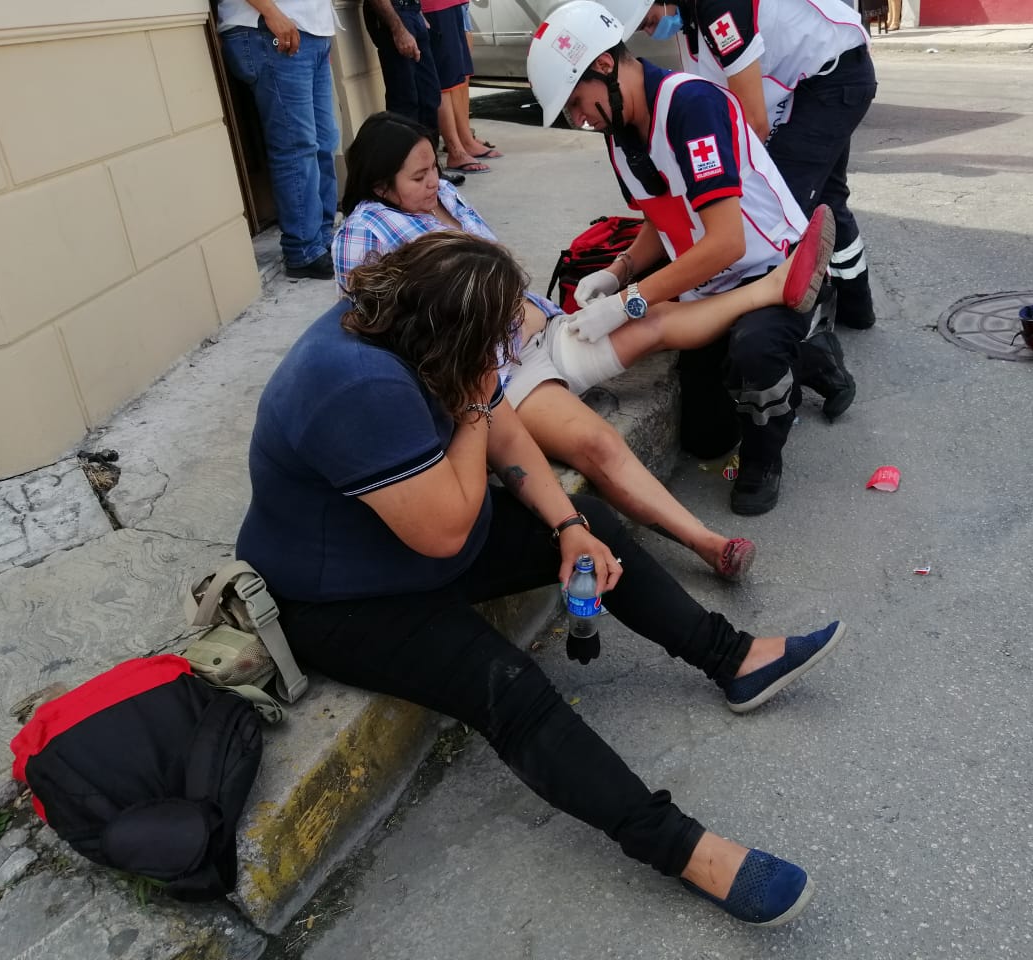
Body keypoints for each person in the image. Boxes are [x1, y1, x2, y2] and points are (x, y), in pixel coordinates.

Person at [236, 230, 849, 925]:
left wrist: (568, 526)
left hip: (409, 539)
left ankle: (733, 658)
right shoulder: (355, 385)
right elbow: (446, 529)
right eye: (496, 342)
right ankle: (682, 850)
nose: (509, 350)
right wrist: (473, 403)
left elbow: (503, 432)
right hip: (337, 596)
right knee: (508, 688)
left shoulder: (410, 323)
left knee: (593, 525)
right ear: (454, 335)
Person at [332, 114, 832, 577]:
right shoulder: (364, 231)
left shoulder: (443, 195)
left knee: (652, 321)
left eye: (434, 168)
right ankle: (707, 543)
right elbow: (379, 331)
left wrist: (603, 290)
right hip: (498, 374)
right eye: (418, 177)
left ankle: (773, 288)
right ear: (380, 186)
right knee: (598, 444)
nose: (434, 182)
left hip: (541, 331)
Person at [527, 1, 854, 516]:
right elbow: (662, 218)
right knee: (707, 438)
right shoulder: (621, 135)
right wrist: (617, 271)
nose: (579, 119)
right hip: (708, 282)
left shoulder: (690, 107)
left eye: (576, 103)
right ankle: (812, 356)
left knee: (754, 353)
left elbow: (727, 243)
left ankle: (764, 458)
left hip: (773, 265)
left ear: (605, 66)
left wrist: (629, 302)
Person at [635, 0, 879, 328]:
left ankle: (797, 331)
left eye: (649, 21)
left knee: (781, 213)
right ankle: (856, 308)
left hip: (833, 77)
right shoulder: (689, 16)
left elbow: (752, 122)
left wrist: (719, 188)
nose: (651, 33)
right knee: (827, 196)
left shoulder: (717, 6)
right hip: (819, 75)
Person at [216, 0, 339, 280]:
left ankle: (320, 238)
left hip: (310, 30)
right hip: (268, 26)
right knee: (297, 146)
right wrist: (271, 12)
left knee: (324, 142)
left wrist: (322, 30)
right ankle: (303, 249)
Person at [421, 0, 500, 175]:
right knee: (445, 81)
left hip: (452, 5)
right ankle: (455, 150)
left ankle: (466, 141)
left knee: (459, 76)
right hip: (433, 6)